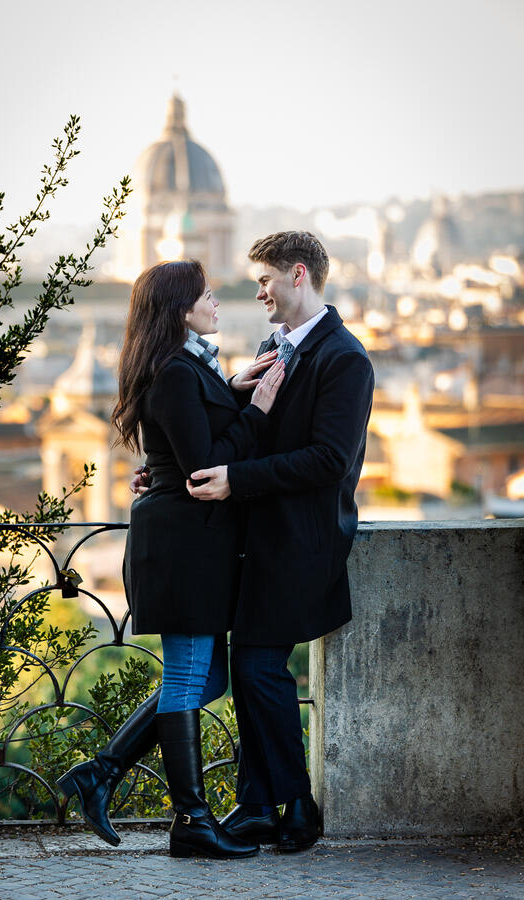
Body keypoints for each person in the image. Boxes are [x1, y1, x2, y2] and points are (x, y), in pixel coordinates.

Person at [57, 259, 285, 859]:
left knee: (205, 677)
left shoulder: (187, 368)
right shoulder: (176, 372)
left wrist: (234, 388)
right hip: (185, 549)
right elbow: (203, 464)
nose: (217, 302)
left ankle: (101, 772)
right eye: (206, 295)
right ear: (182, 309)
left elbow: (184, 436)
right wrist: (257, 409)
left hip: (192, 545)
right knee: (190, 675)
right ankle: (191, 821)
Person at [186, 231, 375, 852]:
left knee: (261, 668)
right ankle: (264, 804)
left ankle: (294, 806)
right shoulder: (275, 348)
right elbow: (253, 430)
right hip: (262, 537)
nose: (258, 291)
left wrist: (237, 478)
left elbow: (329, 460)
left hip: (303, 540)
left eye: (265, 280)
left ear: (299, 275)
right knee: (253, 669)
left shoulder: (344, 358)